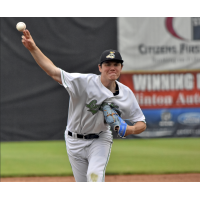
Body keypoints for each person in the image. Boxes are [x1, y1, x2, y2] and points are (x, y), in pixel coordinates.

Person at [21, 29, 146, 182]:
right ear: (100, 67)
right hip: (73, 140)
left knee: (94, 177)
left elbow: (141, 122)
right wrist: (33, 48)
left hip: (100, 139)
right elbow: (53, 72)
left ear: (121, 68)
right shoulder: (83, 82)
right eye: (107, 64)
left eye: (116, 64)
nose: (112, 67)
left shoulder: (126, 94)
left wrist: (131, 129)